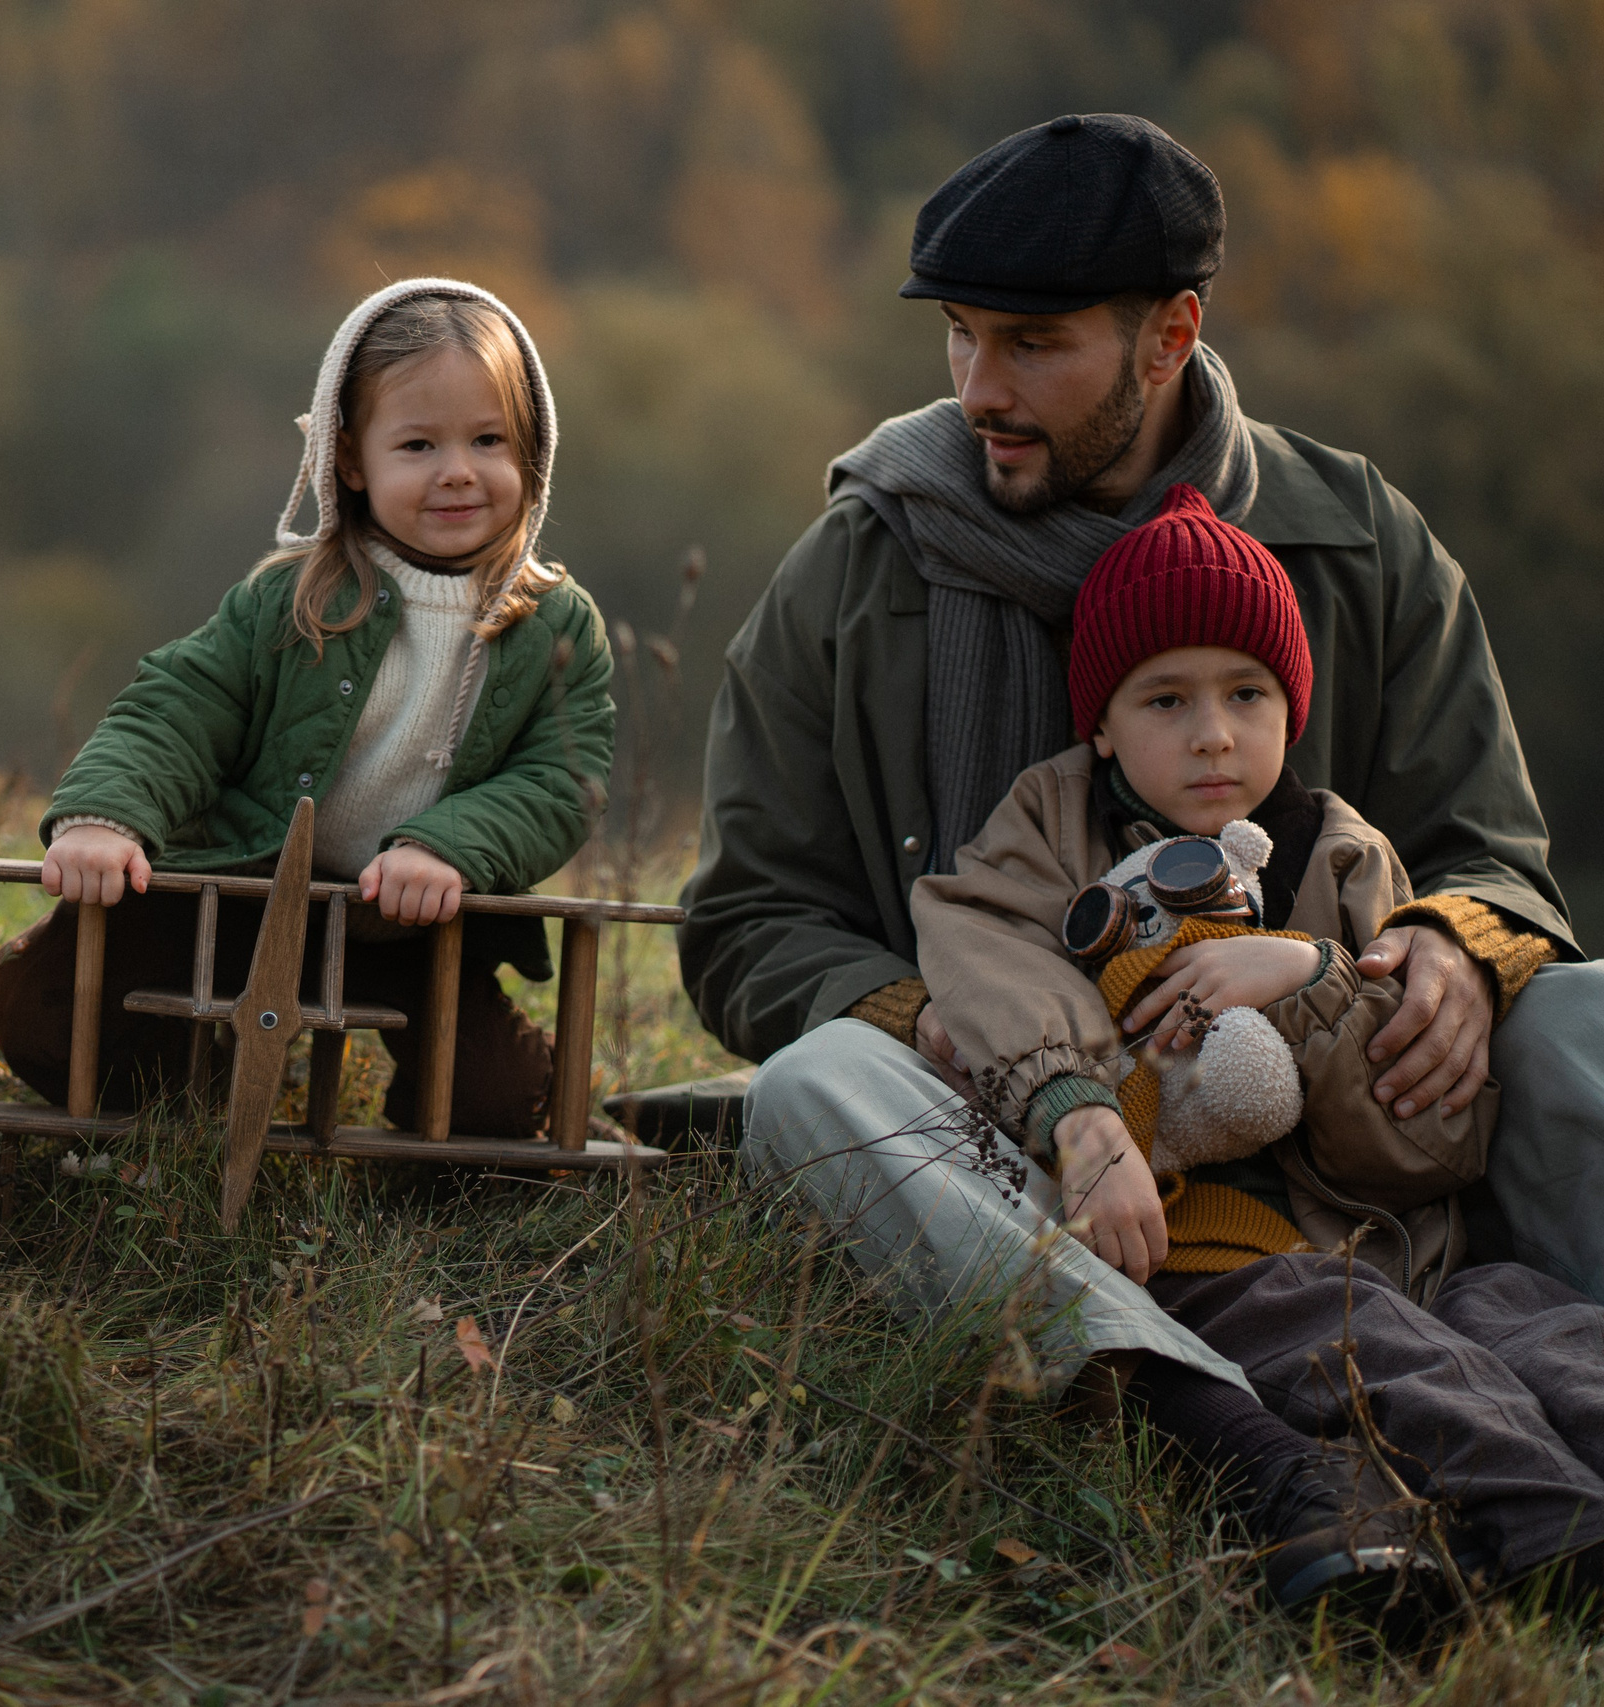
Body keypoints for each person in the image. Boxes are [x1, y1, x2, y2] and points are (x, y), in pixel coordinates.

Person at [679, 115, 1587, 1411]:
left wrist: (1448, 945)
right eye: (960, 333)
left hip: (1327, 1137)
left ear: (1170, 337)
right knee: (816, 1080)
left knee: (1589, 1013)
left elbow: (1490, 848)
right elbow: (746, 917)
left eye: (1032, 343)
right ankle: (1145, 1381)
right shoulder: (859, 563)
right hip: (990, 1131)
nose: (977, 386)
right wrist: (933, 1023)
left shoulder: (1356, 543)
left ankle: (1461, 1324)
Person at [911, 486, 1604, 1612]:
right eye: (1165, 700)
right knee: (1385, 1355)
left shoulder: (1339, 855)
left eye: (1246, 694)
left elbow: (1432, 1142)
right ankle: (1556, 1544)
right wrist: (1073, 1105)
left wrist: (1313, 979)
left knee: (1543, 1325)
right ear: (1099, 723)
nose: (1212, 734)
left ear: (1291, 704)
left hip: (1398, 1238)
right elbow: (989, 953)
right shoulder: (1047, 829)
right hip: (1211, 1259)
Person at [0, 280, 614, 1136]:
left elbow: (561, 778)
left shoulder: (552, 620)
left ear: (530, 450)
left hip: (410, 923)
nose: (458, 470)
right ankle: (188, 1078)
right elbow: (179, 708)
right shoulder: (294, 598)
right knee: (43, 1015)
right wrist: (108, 814)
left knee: (491, 1102)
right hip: (241, 892)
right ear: (350, 462)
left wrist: (448, 845)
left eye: (489, 440)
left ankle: (458, 1113)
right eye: (419, 444)